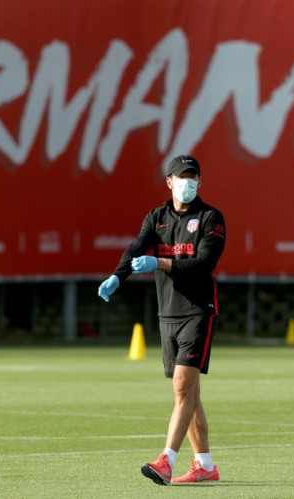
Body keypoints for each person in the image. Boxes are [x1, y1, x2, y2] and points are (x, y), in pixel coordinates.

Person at [97, 154, 226, 485]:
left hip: (198, 310)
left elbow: (202, 263)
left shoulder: (211, 217)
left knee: (184, 385)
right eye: (181, 177)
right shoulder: (156, 218)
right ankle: (205, 466)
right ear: (169, 182)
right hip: (167, 312)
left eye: (193, 177)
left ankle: (166, 460)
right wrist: (118, 276)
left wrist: (160, 264)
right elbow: (137, 247)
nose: (187, 183)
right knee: (188, 391)